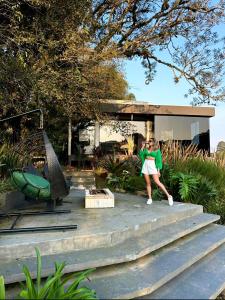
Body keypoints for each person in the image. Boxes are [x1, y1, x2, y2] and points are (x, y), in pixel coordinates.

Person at [139, 138, 173, 206]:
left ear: (154, 142)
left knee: (157, 182)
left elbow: (158, 161)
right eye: (149, 141)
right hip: (146, 165)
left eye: (150, 141)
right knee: (148, 183)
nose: (149, 142)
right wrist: (142, 146)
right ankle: (150, 198)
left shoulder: (157, 151)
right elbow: (141, 154)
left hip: (152, 166)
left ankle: (169, 196)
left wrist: (158, 171)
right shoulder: (146, 149)